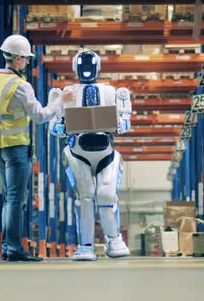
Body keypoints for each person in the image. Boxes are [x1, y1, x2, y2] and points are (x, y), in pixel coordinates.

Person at [0, 34, 75, 262]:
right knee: (15, 199)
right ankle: (13, 249)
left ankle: (7, 246)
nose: (26, 62)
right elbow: (40, 116)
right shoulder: (21, 86)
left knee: (9, 198)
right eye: (25, 58)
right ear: (17, 59)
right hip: (17, 149)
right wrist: (60, 100)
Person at [49, 50, 132, 261]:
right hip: (78, 151)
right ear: (75, 68)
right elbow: (54, 124)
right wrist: (60, 127)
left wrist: (120, 124)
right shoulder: (66, 92)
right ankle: (85, 245)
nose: (87, 70)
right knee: (85, 198)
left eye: (90, 65)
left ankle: (113, 240)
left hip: (105, 151)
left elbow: (124, 122)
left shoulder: (113, 92)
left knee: (106, 195)